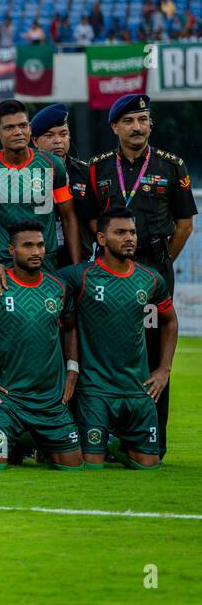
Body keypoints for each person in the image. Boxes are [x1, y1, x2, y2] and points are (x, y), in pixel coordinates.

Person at [81, 94, 194, 455]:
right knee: (105, 349)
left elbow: (185, 225)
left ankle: (150, 440)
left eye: (143, 120)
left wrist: (157, 267)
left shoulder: (172, 166)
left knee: (151, 350)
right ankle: (104, 436)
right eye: (129, 121)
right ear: (114, 126)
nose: (137, 127)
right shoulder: (97, 168)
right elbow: (89, 221)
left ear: (150, 124)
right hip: (108, 272)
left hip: (152, 268)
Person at [56, 208, 177, 468]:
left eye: (132, 232)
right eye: (120, 232)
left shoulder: (150, 279)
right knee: (91, 464)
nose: (129, 238)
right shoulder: (80, 276)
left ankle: (119, 445)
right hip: (96, 390)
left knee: (148, 464)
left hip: (137, 389)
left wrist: (163, 370)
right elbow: (38, 282)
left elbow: (170, 321)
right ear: (101, 238)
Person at [0, 221, 82, 470]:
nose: (36, 252)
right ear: (11, 250)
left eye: (40, 245)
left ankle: (27, 438)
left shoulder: (58, 288)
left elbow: (70, 328)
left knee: (73, 467)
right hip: (8, 401)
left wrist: (72, 370)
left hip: (50, 402)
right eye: (27, 246)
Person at [0, 98, 81, 274]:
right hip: (0, 264)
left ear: (30, 128)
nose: (18, 132)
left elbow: (68, 218)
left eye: (22, 125)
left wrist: (76, 268)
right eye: (9, 128)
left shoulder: (53, 165)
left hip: (44, 262)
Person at [29, 102, 91, 265]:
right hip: (38, 261)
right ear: (35, 141)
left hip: (79, 260)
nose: (58, 141)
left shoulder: (86, 173)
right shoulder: (24, 174)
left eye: (63, 134)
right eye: (49, 136)